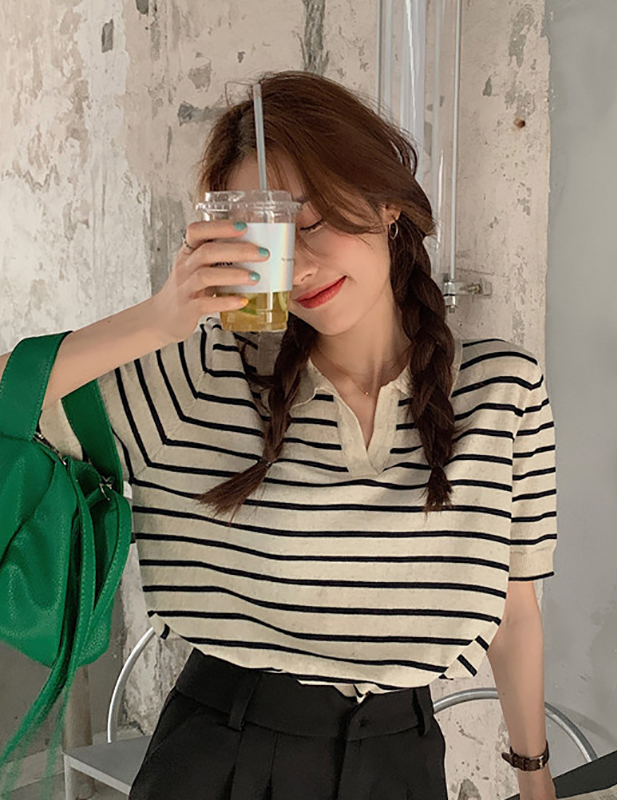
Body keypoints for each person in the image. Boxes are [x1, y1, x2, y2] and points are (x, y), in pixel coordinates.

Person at [3, 70, 558, 800]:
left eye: (316, 218)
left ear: (387, 202)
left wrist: (534, 779)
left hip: (403, 764)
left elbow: (515, 609)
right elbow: (12, 395)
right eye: (265, 234)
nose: (298, 263)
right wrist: (158, 319)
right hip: (223, 759)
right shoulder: (200, 377)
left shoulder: (503, 391)